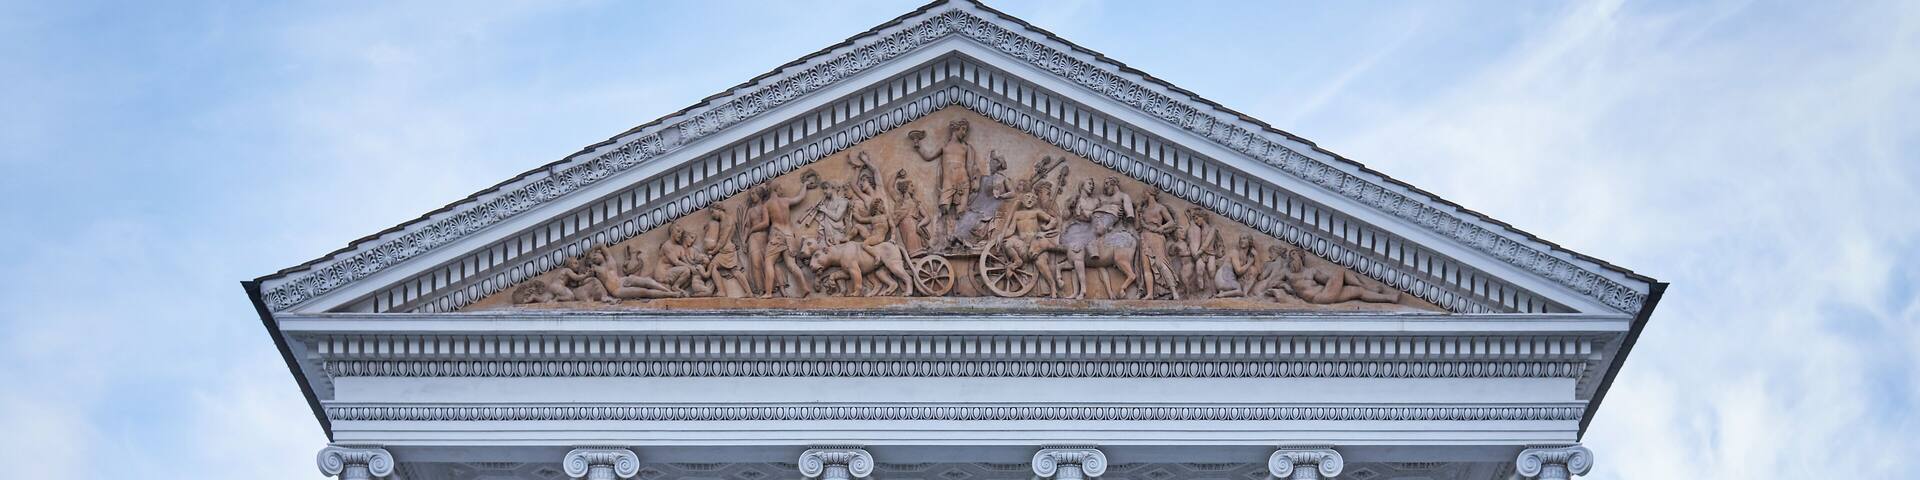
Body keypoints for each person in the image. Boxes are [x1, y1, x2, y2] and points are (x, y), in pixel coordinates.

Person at [907, 119, 980, 234]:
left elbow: (971, 166)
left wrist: (975, 181)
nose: (964, 133)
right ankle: (947, 237)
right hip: (948, 182)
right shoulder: (944, 146)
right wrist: (917, 145)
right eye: (963, 129)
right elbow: (928, 156)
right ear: (956, 129)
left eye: (966, 130)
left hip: (963, 181)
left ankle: (959, 238)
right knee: (944, 208)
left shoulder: (966, 147)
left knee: (961, 211)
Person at [755, 180, 815, 297]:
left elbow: (766, 223)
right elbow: (800, 198)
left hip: (777, 235)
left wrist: (752, 229)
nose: (782, 190)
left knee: (768, 262)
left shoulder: (766, 205)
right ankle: (805, 288)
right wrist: (805, 185)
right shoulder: (785, 201)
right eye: (781, 188)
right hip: (789, 236)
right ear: (776, 189)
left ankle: (768, 293)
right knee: (792, 265)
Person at [1282, 247, 1402, 304]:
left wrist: (1336, 282)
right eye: (1289, 256)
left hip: (1326, 294)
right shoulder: (1288, 274)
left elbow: (1327, 280)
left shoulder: (1311, 271)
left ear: (1300, 256)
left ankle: (1390, 298)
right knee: (1341, 271)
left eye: (1293, 254)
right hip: (1320, 297)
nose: (1290, 257)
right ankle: (1368, 287)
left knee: (1357, 291)